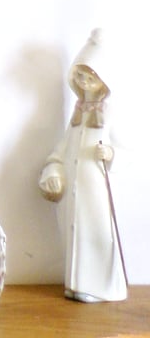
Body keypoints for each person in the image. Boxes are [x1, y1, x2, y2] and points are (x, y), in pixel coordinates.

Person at [38, 29, 127, 302]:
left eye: (92, 77)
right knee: (79, 235)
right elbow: (60, 153)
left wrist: (110, 153)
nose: (86, 82)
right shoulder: (76, 115)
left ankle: (101, 286)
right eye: (81, 76)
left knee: (99, 236)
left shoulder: (109, 113)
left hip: (97, 193)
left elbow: (126, 149)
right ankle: (78, 283)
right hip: (77, 196)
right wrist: (53, 173)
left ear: (103, 81)